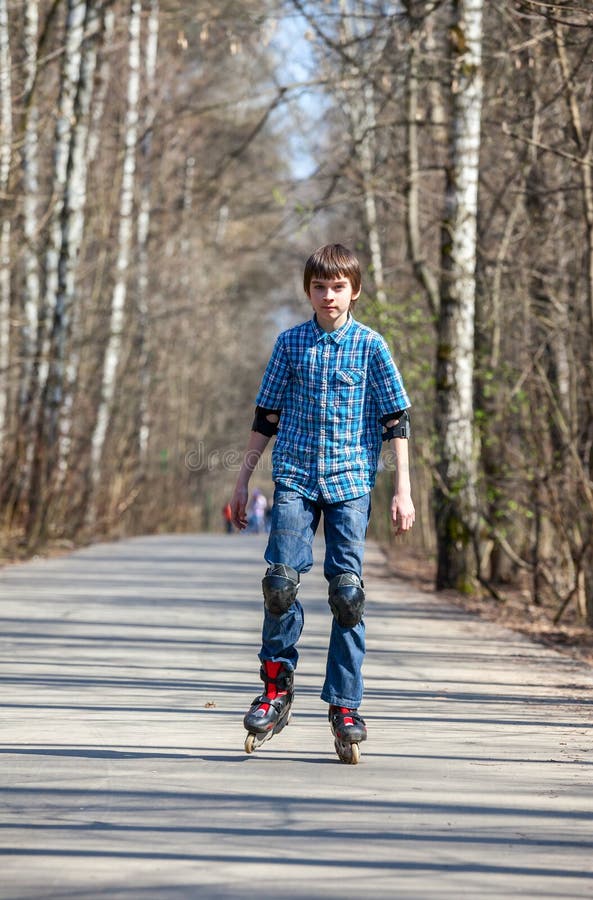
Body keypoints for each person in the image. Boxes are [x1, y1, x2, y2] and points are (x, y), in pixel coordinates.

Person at [229, 243, 415, 763]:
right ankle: (275, 689)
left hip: (352, 480)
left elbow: (395, 420)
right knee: (280, 584)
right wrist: (242, 482)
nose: (328, 295)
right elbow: (266, 416)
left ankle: (345, 706)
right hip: (294, 476)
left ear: (354, 291)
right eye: (319, 287)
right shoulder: (290, 345)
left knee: (347, 594)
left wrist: (403, 489)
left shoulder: (372, 347)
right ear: (308, 291)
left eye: (337, 287)